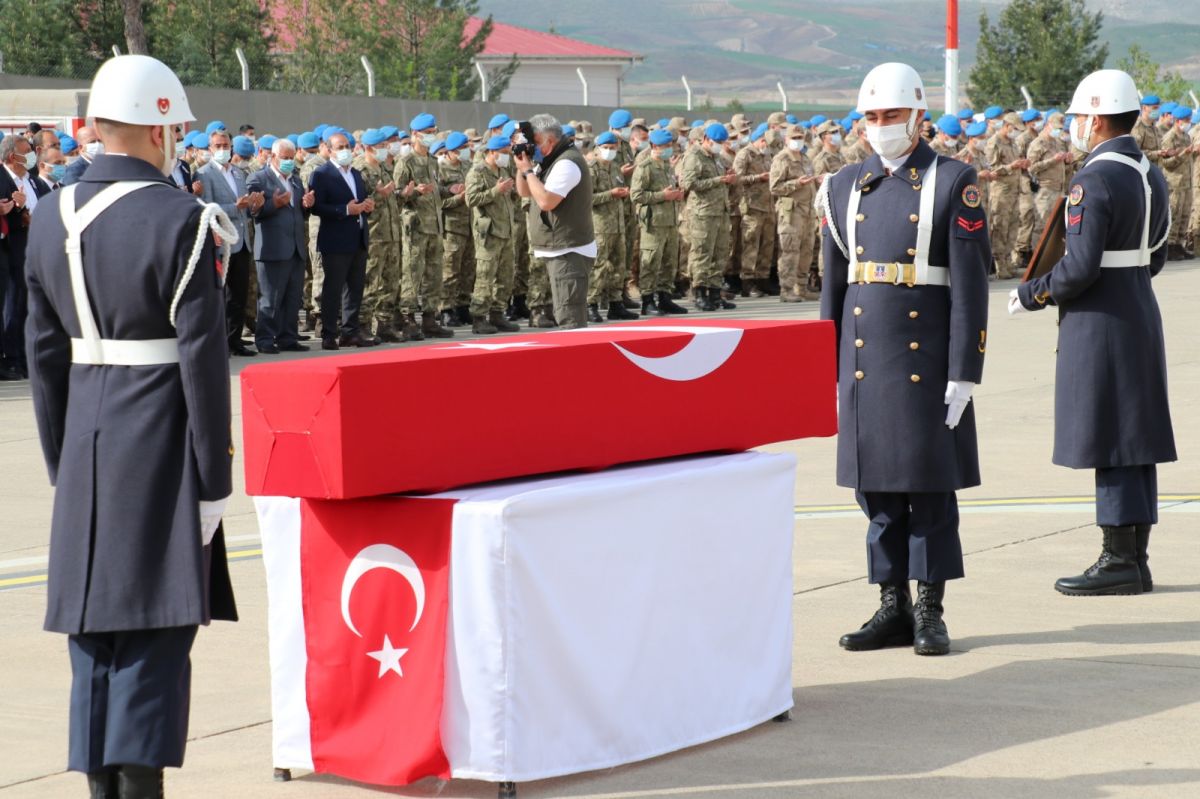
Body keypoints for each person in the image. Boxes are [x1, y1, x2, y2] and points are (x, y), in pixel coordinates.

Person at [24, 54, 238, 798]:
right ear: (155, 129)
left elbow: (43, 351)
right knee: (154, 628)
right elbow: (202, 362)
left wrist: (63, 456)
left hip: (84, 434)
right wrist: (215, 477)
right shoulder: (182, 219)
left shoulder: (51, 211)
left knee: (93, 635)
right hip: (158, 436)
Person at [820, 62, 990, 656]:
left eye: (892, 115)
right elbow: (834, 287)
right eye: (871, 117)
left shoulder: (953, 181)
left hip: (926, 361)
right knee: (878, 493)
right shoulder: (842, 185)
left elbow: (970, 286)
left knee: (929, 490)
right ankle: (891, 603)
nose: (881, 126)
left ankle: (929, 609)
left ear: (918, 116)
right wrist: (825, 365)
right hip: (865, 358)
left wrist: (965, 372)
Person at [1010, 69, 1175, 596]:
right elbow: (1155, 258)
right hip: (1137, 308)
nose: (1076, 126)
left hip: (1100, 317)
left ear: (1098, 118)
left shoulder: (1093, 178)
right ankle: (1136, 557)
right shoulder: (1149, 173)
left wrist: (1033, 293)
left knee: (1111, 435)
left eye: (1080, 118)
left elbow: (1079, 269)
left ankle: (1117, 559)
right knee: (1134, 436)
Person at [515, 114, 596, 329]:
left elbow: (546, 201)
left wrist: (528, 170)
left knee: (570, 319)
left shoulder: (567, 163)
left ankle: (576, 362)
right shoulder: (548, 161)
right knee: (565, 314)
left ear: (549, 140)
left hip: (569, 251)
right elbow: (524, 191)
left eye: (536, 142)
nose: (533, 146)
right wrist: (522, 165)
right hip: (558, 249)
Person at [196, 130, 264, 357]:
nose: (223, 149)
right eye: (218, 145)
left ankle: (235, 340)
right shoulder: (204, 174)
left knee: (239, 294)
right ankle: (220, 342)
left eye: (226, 145)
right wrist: (236, 206)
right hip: (222, 240)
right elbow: (206, 208)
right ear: (210, 148)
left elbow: (245, 207)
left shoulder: (238, 173)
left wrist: (254, 205)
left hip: (242, 239)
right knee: (222, 295)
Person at [309, 130, 377, 349]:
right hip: (336, 240)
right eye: (340, 147)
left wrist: (367, 207)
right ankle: (329, 333)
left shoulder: (356, 173)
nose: (345, 150)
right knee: (333, 288)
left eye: (347, 146)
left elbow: (360, 201)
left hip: (357, 237)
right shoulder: (322, 174)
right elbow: (317, 207)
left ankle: (350, 332)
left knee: (355, 288)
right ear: (329, 150)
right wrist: (345, 210)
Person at [247, 137, 314, 354]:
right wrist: (273, 204)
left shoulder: (295, 180)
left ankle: (288, 337)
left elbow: (299, 214)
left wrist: (307, 206)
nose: (289, 162)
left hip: (295, 247)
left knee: (292, 297)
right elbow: (252, 211)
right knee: (269, 299)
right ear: (272, 156)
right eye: (284, 158)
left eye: (291, 158)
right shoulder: (258, 179)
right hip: (272, 249)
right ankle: (265, 338)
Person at [394, 113, 453, 340]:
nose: (430, 137)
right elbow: (396, 196)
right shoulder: (405, 162)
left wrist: (449, 190)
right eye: (427, 133)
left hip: (435, 226)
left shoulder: (432, 161)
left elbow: (435, 190)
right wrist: (412, 193)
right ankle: (408, 319)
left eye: (432, 133)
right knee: (412, 274)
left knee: (434, 274)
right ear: (415, 135)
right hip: (416, 227)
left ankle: (430, 318)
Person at [0, 133, 50, 379]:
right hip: (13, 251)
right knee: (14, 306)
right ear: (12, 157)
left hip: (34, 249)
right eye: (26, 151)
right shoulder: (4, 178)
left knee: (28, 308)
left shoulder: (31, 181)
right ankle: (12, 359)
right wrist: (19, 214)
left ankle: (24, 357)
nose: (30, 155)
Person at [465, 135, 521, 334]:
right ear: (492, 152)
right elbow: (470, 199)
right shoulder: (477, 172)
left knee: (505, 275)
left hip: (505, 230)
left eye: (508, 153)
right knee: (485, 276)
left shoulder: (504, 170)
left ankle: (498, 314)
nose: (506, 157)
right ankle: (479, 318)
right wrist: (496, 190)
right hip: (488, 233)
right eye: (504, 153)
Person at [630, 127, 688, 316]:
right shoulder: (645, 167)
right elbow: (636, 195)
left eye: (670, 145)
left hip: (670, 220)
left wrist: (677, 194)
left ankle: (665, 297)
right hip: (654, 223)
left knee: (669, 261)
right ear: (654, 146)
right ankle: (648, 300)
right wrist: (662, 195)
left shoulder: (666, 166)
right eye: (665, 146)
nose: (669, 148)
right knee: (651, 260)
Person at [681, 123, 738, 311]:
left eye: (722, 142)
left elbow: (721, 181)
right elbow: (688, 183)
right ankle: (699, 292)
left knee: (720, 253)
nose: (719, 145)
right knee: (701, 253)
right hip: (702, 213)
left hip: (720, 211)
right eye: (716, 142)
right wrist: (718, 180)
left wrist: (727, 177)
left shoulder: (717, 158)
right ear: (706, 139)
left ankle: (715, 293)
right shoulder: (694, 156)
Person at [587, 131, 635, 322]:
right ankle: (591, 304)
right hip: (600, 225)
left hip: (618, 223)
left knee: (618, 265)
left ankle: (616, 303)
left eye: (612, 148)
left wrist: (622, 193)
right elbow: (586, 199)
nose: (609, 152)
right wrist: (611, 194)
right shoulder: (591, 169)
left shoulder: (615, 168)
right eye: (605, 148)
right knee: (598, 265)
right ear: (597, 149)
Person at [771, 124, 820, 302]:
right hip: (791, 212)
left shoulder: (805, 159)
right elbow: (774, 187)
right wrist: (796, 183)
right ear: (786, 139)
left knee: (806, 250)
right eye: (794, 138)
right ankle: (787, 289)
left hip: (807, 210)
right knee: (790, 251)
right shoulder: (782, 159)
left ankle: (802, 286)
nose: (798, 141)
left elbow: (810, 182)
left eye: (800, 138)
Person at [436, 131, 475, 328]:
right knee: (450, 270)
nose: (465, 152)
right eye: (460, 149)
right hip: (452, 227)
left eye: (466, 148)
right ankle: (445, 309)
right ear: (450, 152)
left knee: (468, 270)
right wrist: (457, 199)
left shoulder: (469, 167)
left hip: (470, 225)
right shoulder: (440, 171)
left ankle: (463, 306)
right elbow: (437, 203)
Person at [733, 125, 775, 297]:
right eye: (763, 140)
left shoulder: (766, 154)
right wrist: (758, 178)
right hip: (752, 206)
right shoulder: (745, 154)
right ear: (756, 139)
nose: (765, 144)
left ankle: (763, 278)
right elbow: (736, 179)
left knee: (767, 244)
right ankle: (748, 281)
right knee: (751, 244)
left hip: (768, 205)